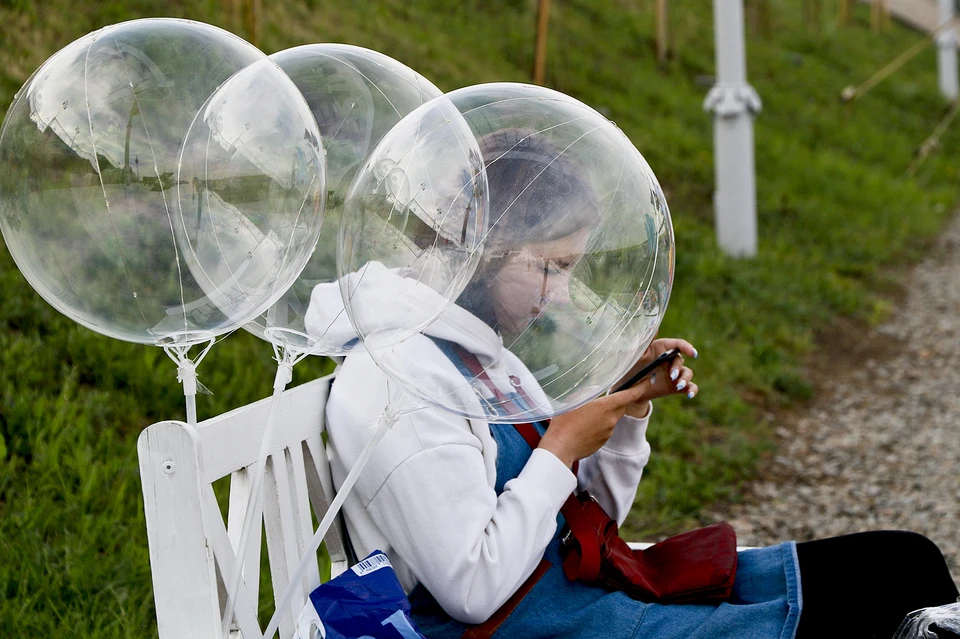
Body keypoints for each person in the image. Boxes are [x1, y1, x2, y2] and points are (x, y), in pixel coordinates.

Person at [310, 130, 959, 639]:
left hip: (583, 594)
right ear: (485, 245)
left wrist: (624, 414)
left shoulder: (477, 351)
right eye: (551, 266)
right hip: (533, 625)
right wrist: (560, 446)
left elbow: (590, 525)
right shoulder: (398, 380)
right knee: (883, 614)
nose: (560, 294)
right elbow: (472, 588)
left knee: (904, 562)